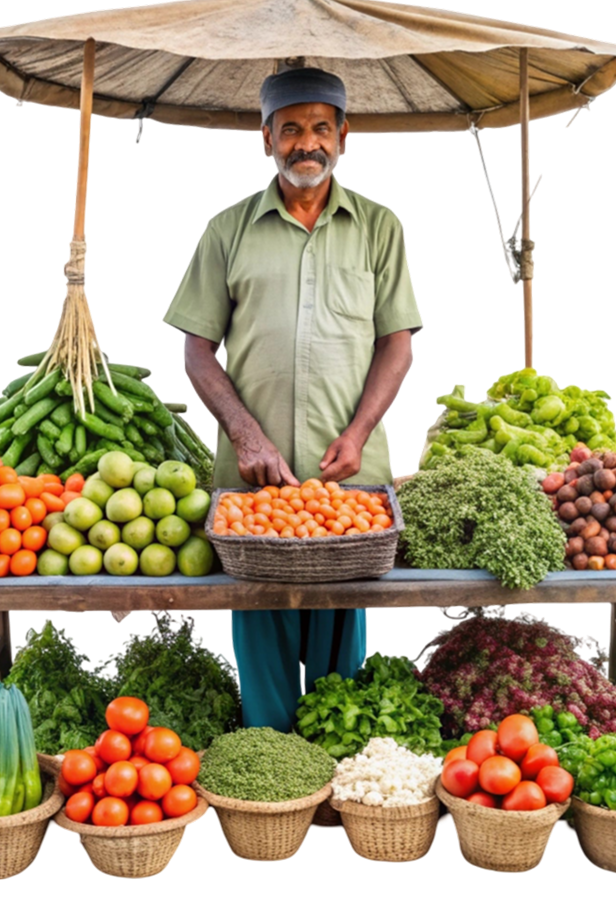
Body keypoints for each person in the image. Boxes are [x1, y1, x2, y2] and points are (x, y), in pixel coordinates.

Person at [162, 66, 424, 732]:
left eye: (318, 129)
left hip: (350, 483)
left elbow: (399, 345)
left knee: (344, 645)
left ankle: (335, 778)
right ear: (265, 139)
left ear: (343, 136)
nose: (304, 144)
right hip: (253, 484)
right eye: (289, 130)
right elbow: (197, 351)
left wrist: (361, 432)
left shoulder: (379, 227)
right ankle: (273, 771)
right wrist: (245, 433)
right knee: (260, 624)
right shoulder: (227, 230)